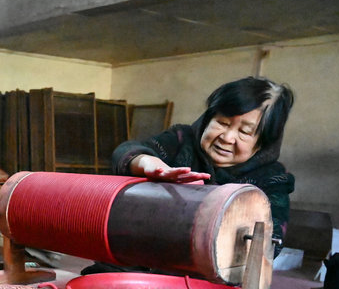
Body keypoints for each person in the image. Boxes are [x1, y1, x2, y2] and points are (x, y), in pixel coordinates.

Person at [111, 75, 295, 257]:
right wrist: (148, 163)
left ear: (263, 142)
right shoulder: (181, 140)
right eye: (222, 123)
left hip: (208, 275)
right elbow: (127, 152)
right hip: (136, 257)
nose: (227, 137)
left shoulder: (272, 180)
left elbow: (271, 242)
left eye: (244, 132)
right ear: (208, 118)